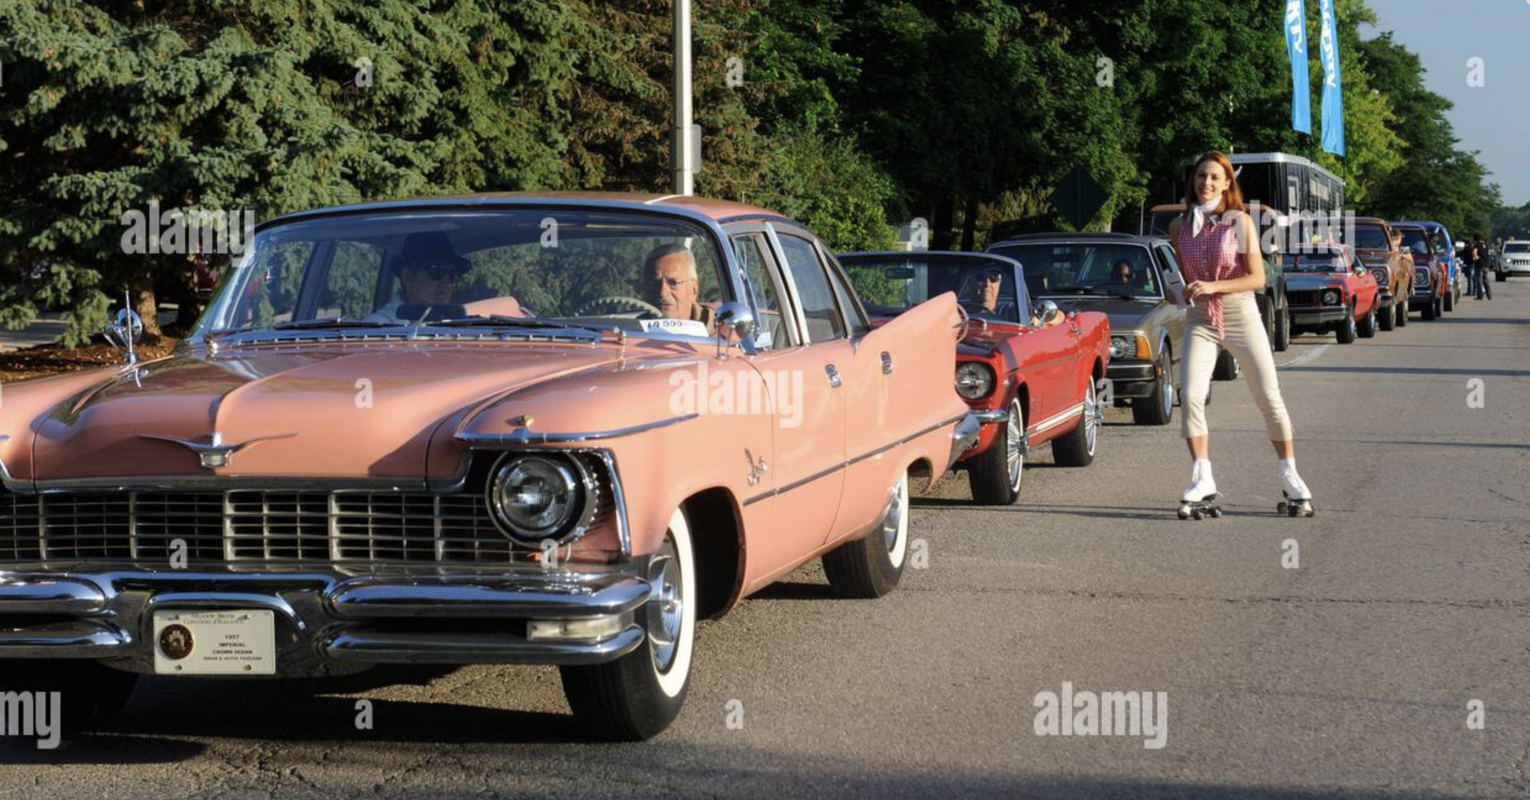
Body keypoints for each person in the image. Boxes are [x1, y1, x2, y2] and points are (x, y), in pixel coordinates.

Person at [1167, 151, 1312, 517]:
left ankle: (1290, 474)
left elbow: (1257, 279)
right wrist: (1178, 292)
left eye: (1215, 177)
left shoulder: (1240, 222)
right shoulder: (1178, 226)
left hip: (1240, 315)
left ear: (1227, 183)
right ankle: (1202, 476)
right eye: (1201, 176)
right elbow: (1184, 279)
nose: (1206, 183)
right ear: (1193, 180)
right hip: (1201, 319)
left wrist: (1213, 286)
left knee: (1268, 397)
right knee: (1191, 395)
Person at [367, 232, 472, 323]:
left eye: (452, 275)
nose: (447, 282)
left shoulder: (458, 327)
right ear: (408, 277)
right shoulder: (376, 330)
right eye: (436, 271)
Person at [643, 244, 716, 329]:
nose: (662, 293)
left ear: (694, 289)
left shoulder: (720, 333)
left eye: (673, 283)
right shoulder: (633, 331)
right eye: (654, 283)